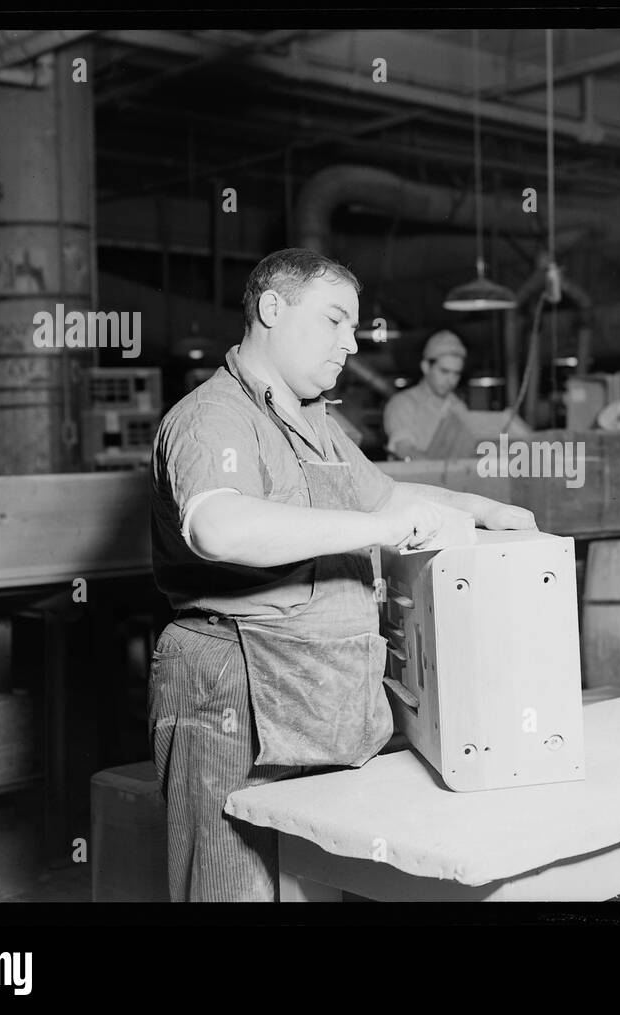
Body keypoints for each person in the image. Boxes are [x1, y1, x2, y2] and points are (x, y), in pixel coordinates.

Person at [148, 249, 536, 901]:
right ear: (272, 307)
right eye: (333, 321)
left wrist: (486, 510)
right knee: (233, 885)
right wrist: (381, 531)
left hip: (313, 689)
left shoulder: (315, 423)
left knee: (308, 882)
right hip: (232, 687)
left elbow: (387, 499)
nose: (348, 344)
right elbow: (219, 526)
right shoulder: (214, 416)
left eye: (352, 327)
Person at [382, 329, 471, 459]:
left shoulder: (459, 408)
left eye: (456, 374)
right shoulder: (402, 405)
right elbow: (404, 450)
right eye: (444, 371)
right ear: (426, 367)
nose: (451, 381)